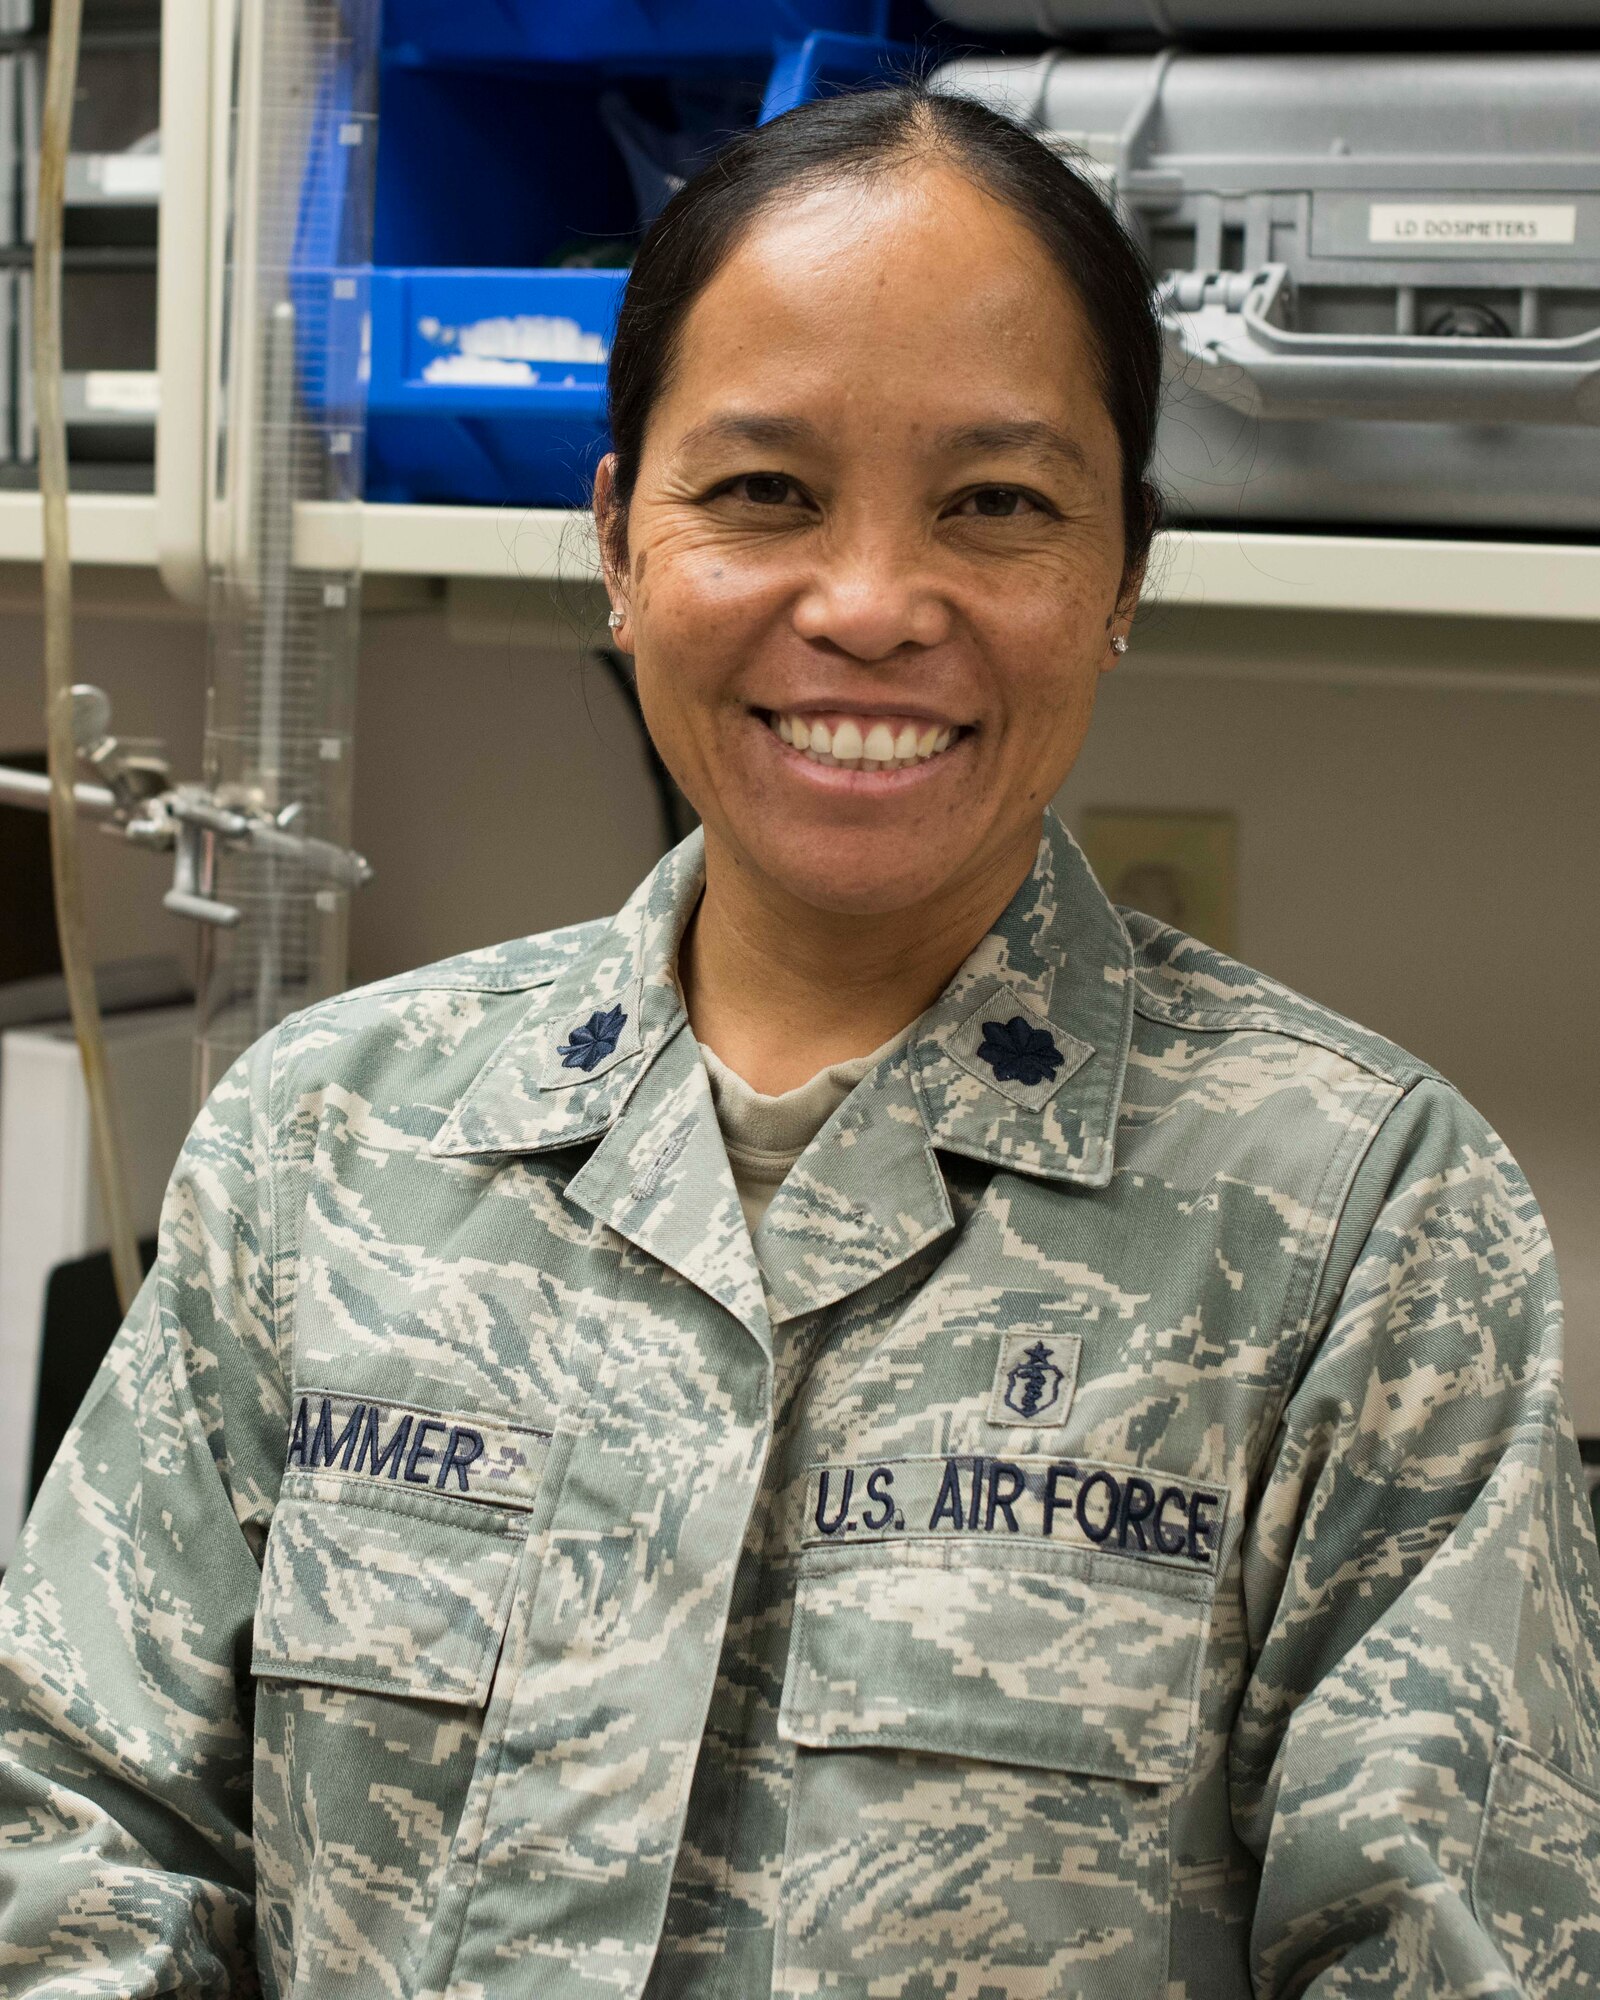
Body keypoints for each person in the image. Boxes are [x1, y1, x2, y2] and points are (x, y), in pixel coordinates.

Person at [2, 83, 1598, 2000]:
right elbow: (77, 1842)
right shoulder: (325, 1144)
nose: (865, 606)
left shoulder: (1360, 1225)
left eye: (996, 506)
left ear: (1122, 577)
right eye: (761, 492)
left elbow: (1442, 1955)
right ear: (616, 538)